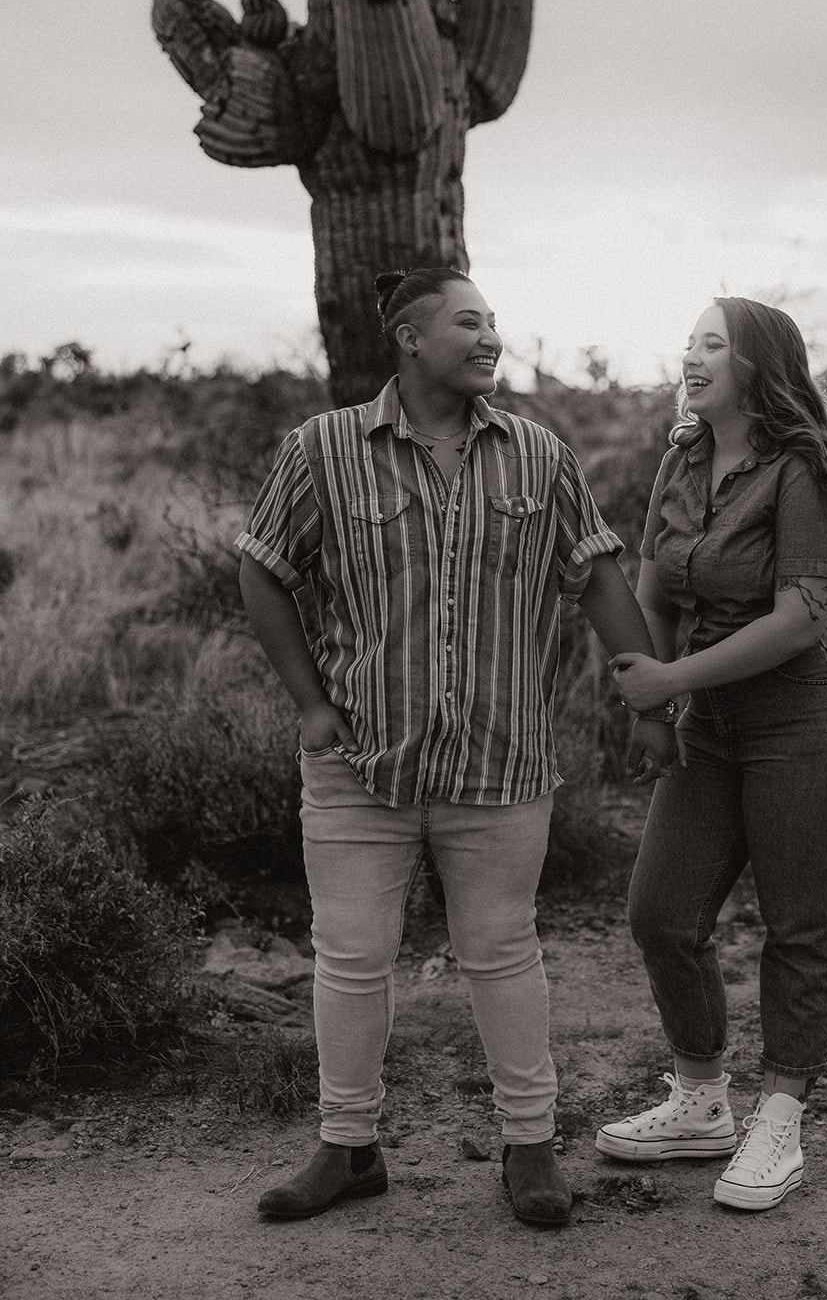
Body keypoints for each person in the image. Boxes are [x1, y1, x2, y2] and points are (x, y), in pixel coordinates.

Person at [236, 267, 674, 1226]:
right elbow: (262, 573)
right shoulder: (323, 451)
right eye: (469, 323)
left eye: (494, 324)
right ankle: (346, 1149)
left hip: (497, 761)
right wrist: (309, 702)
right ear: (407, 336)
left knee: (501, 952)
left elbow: (595, 576)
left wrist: (646, 693)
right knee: (350, 958)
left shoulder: (537, 456)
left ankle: (530, 1149)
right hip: (361, 762)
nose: (490, 339)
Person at [595, 295, 827, 1212]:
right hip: (711, 725)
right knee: (660, 912)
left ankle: (781, 1119)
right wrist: (653, 706)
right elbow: (654, 589)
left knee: (799, 927)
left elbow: (800, 621)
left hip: (809, 718)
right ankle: (699, 1101)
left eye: (711, 343)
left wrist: (671, 684)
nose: (689, 355)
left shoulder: (807, 471)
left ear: (758, 366)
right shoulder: (680, 459)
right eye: (686, 340)